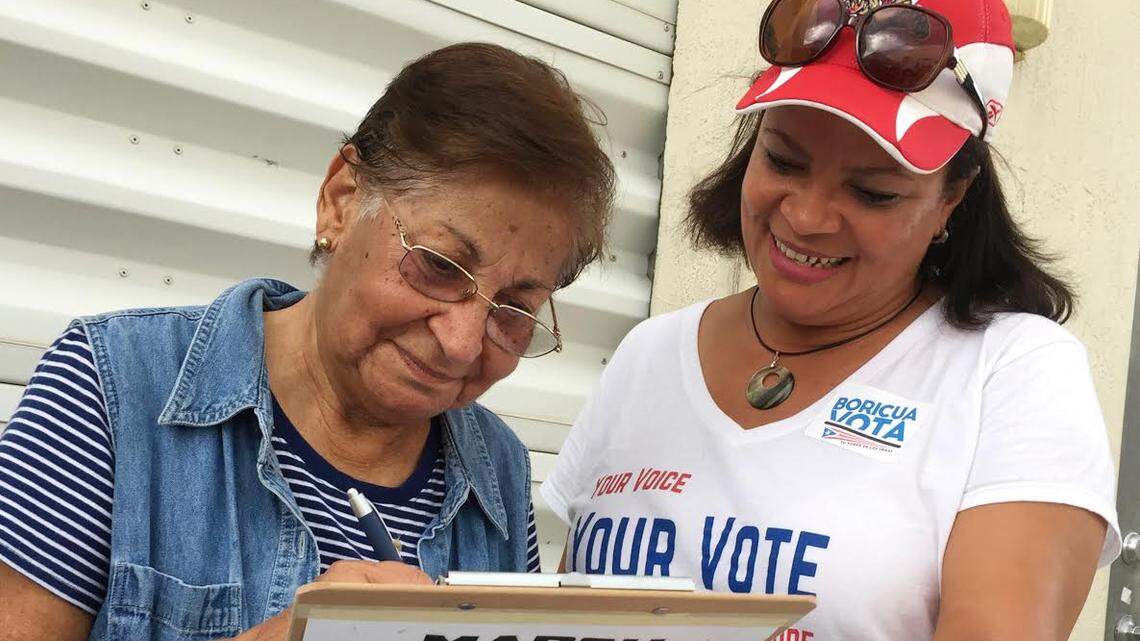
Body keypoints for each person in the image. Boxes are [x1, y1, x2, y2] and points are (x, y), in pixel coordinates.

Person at [541, 1, 1121, 639]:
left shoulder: (1010, 373)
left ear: (952, 196)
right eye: (783, 161)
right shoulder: (649, 353)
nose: (808, 217)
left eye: (873, 192)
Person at [0, 42, 614, 641]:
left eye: (512, 311)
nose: (459, 344)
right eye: (439, 266)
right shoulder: (113, 388)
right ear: (341, 202)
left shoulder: (496, 468)